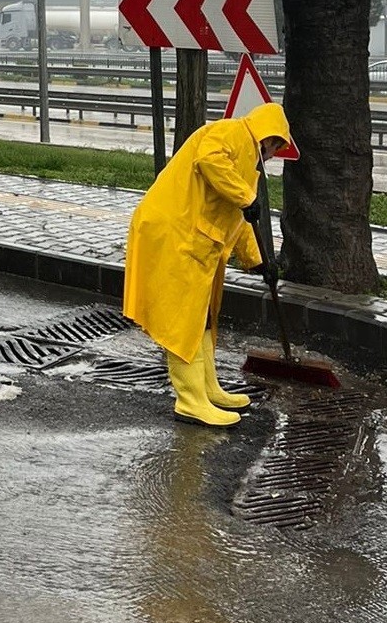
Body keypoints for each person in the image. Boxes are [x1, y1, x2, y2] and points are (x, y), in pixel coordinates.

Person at [123, 102, 294, 428]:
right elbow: (210, 161)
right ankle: (190, 401)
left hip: (198, 244)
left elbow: (240, 218)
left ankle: (208, 389)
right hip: (174, 235)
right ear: (267, 136)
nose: (273, 155)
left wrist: (259, 262)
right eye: (275, 146)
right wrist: (246, 197)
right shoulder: (227, 133)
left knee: (203, 319)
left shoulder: (247, 164)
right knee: (183, 322)